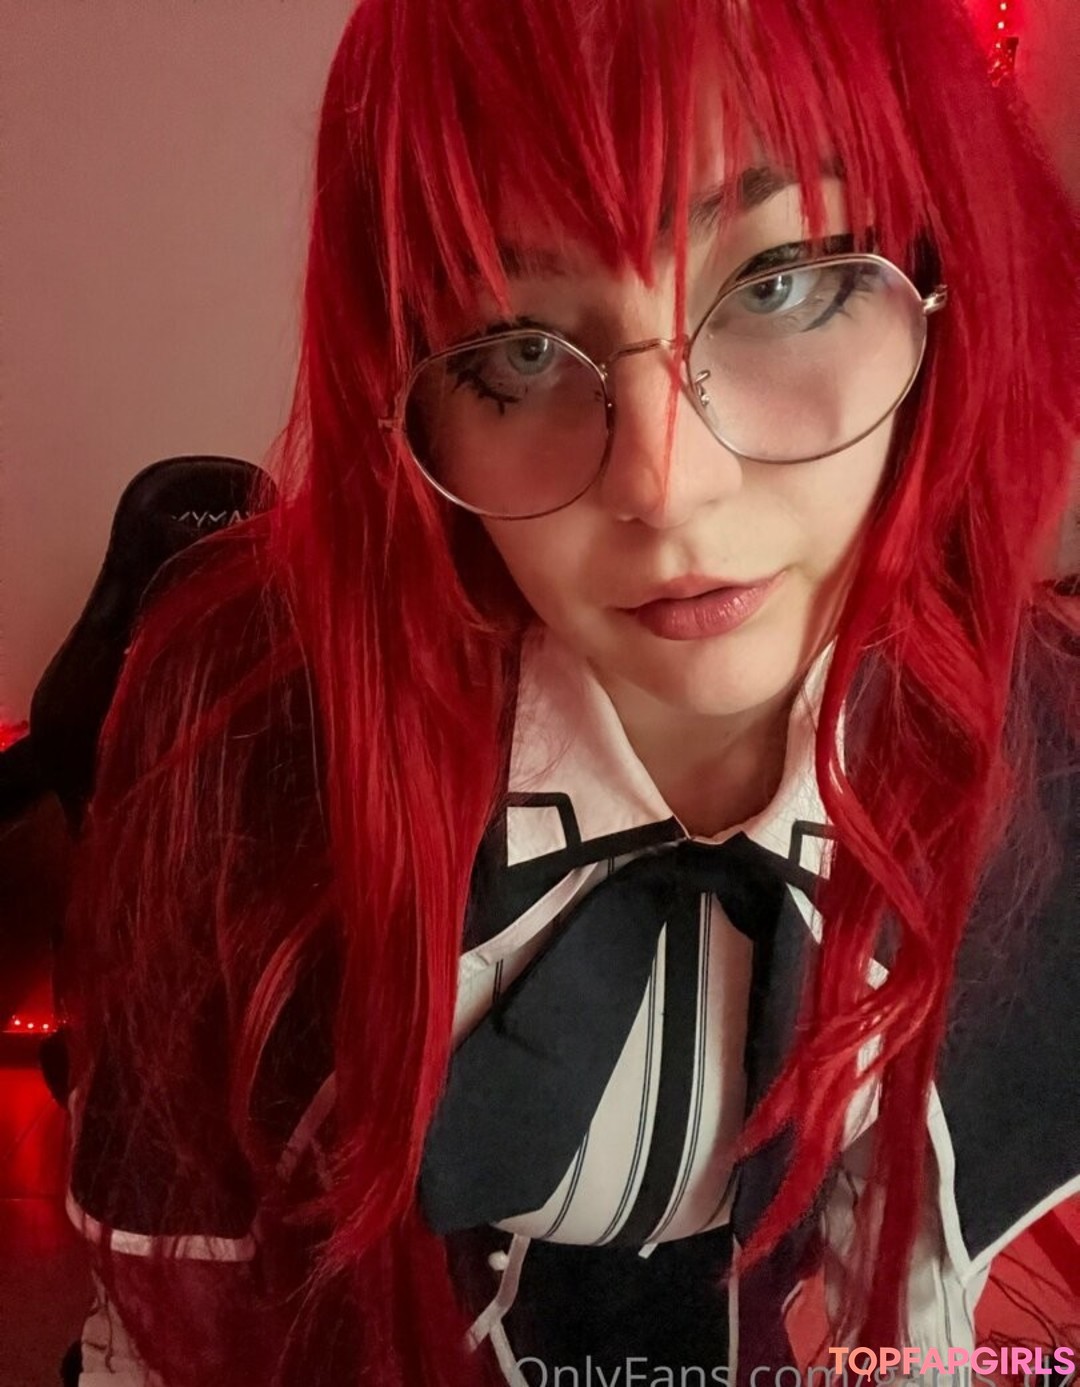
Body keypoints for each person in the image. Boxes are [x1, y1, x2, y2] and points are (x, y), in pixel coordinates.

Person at [60, 0, 1080, 1384]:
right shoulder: (249, 748)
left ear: (944, 275)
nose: (666, 484)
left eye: (779, 282)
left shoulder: (1054, 762)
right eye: (519, 348)